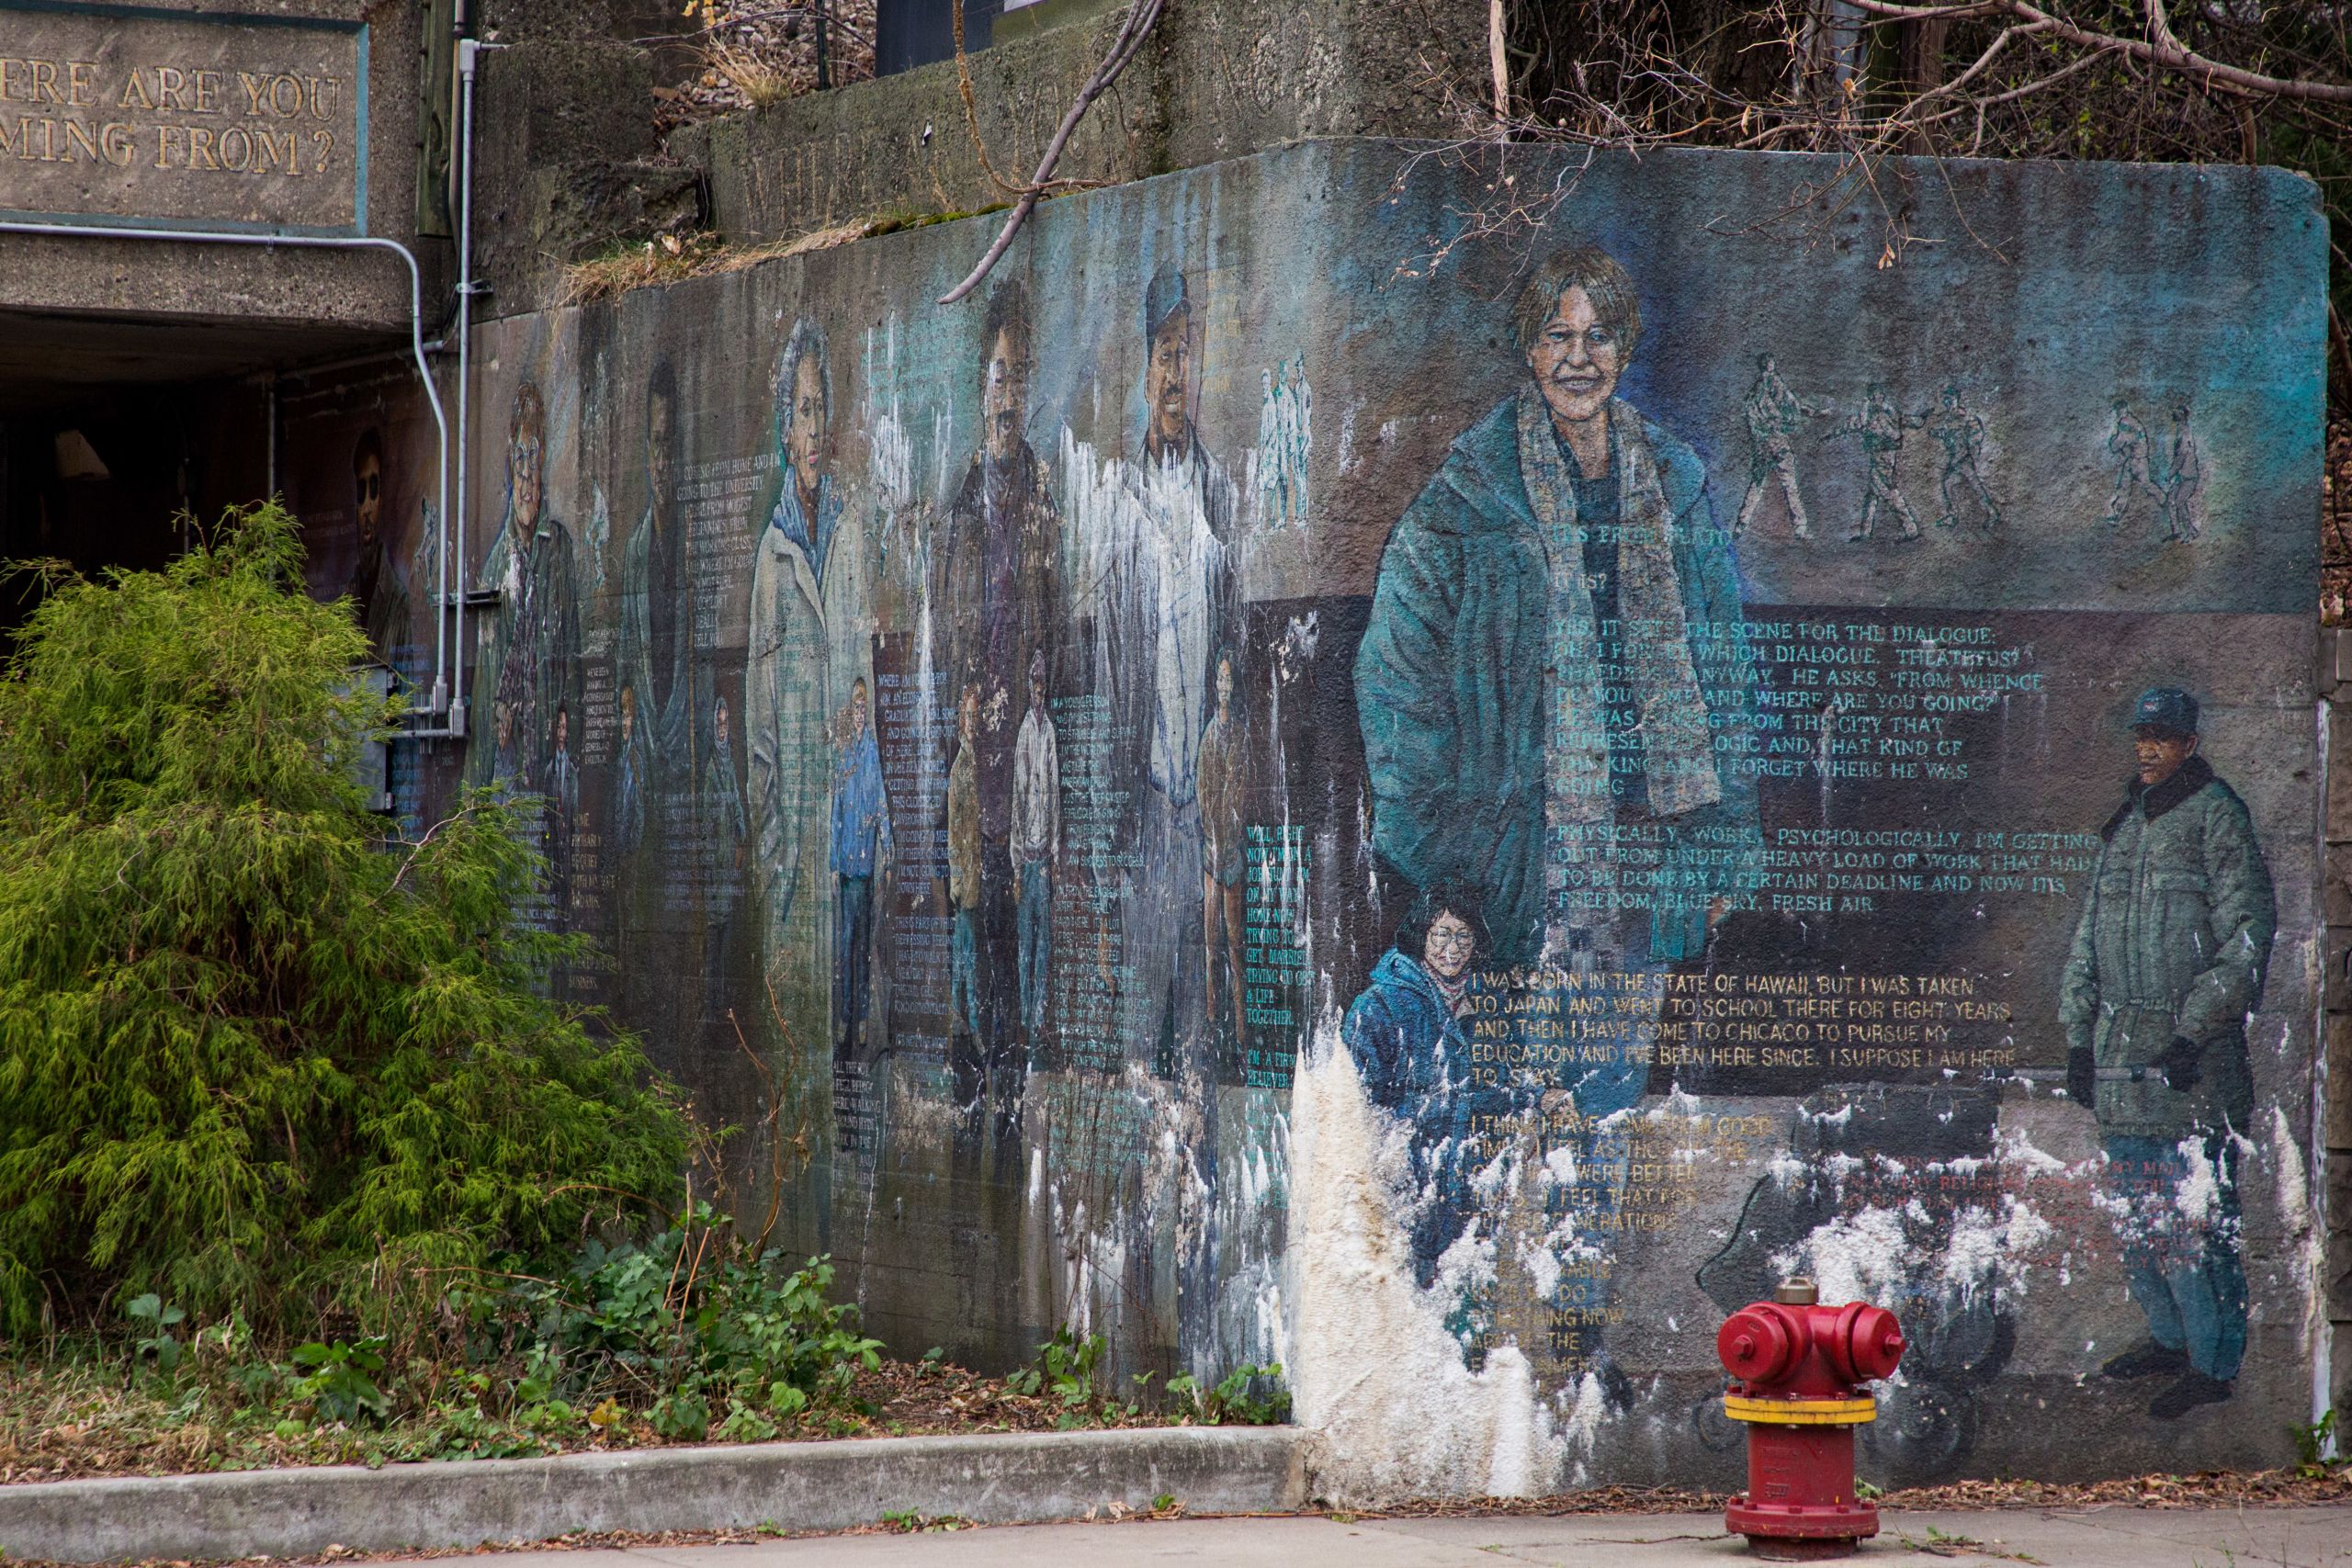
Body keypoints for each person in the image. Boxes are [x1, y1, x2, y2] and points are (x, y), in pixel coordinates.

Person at [1354, 243, 1761, 974]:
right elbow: (1397, 681)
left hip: (1655, 849)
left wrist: (1724, 843)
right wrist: (1451, 859)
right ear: (1530, 349)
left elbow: (1722, 671)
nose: (1579, 359)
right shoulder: (1466, 500)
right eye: (1558, 335)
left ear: (1625, 347)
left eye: (1598, 335)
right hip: (1514, 863)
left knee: (1628, 1075)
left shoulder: (1675, 485)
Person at [2058, 685, 2275, 1420]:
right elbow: (2087, 942)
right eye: (2141, 734)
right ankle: (2167, 1338)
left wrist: (2193, 1032)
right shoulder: (2125, 826)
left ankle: (2213, 1363)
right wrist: (2077, 1039)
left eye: (2163, 736)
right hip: (2124, 1061)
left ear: (2189, 741)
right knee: (2139, 1216)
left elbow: (2246, 939)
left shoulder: (2218, 816)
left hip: (2193, 1065)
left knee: (2196, 1221)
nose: (2148, 747)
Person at [934, 281, 1064, 1082]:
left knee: (1018, 927)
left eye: (1018, 378)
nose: (1006, 394)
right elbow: (947, 630)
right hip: (972, 748)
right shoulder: (957, 507)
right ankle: (973, 1066)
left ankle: (1012, 1073)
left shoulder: (1045, 493)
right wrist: (963, 695)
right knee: (972, 920)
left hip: (1024, 751)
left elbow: (1054, 619)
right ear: (979, 386)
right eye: (996, 375)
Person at [1341, 886, 1510, 1289]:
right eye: (1441, 934)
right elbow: (1357, 1105)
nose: (1452, 948)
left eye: (1463, 936)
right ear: (1422, 936)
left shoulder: (1490, 1005)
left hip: (1470, 1187)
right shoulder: (1379, 1005)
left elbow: (1502, 1083)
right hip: (1404, 1183)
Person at [747, 321, 843, 1002]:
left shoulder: (849, 534)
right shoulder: (772, 561)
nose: (813, 429)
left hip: (845, 862)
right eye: (802, 412)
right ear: (785, 430)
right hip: (794, 879)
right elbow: (759, 743)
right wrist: (776, 863)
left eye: (820, 409)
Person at [469, 383, 577, 790]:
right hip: (508, 763)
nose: (527, 472)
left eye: (533, 456)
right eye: (519, 458)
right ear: (509, 466)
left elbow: (574, 657)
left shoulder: (560, 549)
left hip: (550, 761)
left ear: (544, 456)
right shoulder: (498, 564)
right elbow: (483, 689)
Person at [832, 675, 891, 1062]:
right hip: (848, 867)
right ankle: (845, 1019)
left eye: (863, 708)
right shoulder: (844, 754)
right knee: (845, 947)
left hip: (866, 869)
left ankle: (863, 1021)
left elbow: (881, 803)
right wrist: (835, 863)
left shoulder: (871, 752)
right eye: (855, 707)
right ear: (849, 711)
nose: (859, 713)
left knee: (863, 951)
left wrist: (888, 849)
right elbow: (837, 811)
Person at [1009, 649, 1058, 1053]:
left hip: (1045, 856)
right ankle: (1024, 1018)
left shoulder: (1051, 733)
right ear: (1028, 688)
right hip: (1025, 857)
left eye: (1042, 684)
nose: (1038, 691)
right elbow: (1017, 801)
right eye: (1034, 684)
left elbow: (1055, 793)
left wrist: (1055, 848)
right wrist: (1014, 863)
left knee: (1044, 945)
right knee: (1025, 943)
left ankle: (1039, 1017)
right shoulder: (1025, 733)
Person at [1196, 649, 1246, 1043]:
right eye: (1220, 679)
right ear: (1215, 685)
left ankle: (1243, 1031)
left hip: (1233, 855)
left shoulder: (1241, 736)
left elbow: (1242, 791)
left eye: (1230, 680)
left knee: (1236, 944)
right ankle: (1212, 1022)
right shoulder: (1208, 737)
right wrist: (1214, 839)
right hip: (1214, 853)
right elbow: (1204, 796)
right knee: (1211, 946)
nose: (1224, 686)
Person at [944, 684, 986, 1116]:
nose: (972, 723)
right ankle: (971, 1024)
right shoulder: (961, 769)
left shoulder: (974, 764)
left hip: (974, 878)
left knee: (963, 949)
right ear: (960, 723)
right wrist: (957, 877)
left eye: (977, 717)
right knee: (967, 954)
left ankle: (961, 1017)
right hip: (965, 880)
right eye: (968, 717)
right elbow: (955, 830)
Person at [1733, 354, 1821, 541]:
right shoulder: (1772, 385)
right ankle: (1800, 528)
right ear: (1770, 365)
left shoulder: (1754, 392)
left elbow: (1757, 418)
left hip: (1762, 446)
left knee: (1757, 485)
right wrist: (1800, 415)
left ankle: (1741, 524)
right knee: (1789, 484)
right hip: (1775, 443)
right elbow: (1788, 407)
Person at [1834, 382, 1925, 542]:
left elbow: (1893, 427)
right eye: (1873, 395)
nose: (1876, 398)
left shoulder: (1880, 414)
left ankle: (1911, 530)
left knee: (1889, 493)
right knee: (1872, 495)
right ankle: (1865, 533)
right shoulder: (1877, 413)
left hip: (1884, 457)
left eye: (1877, 395)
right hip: (1879, 456)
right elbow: (1852, 424)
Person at [1926, 382, 2002, 531]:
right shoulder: (1948, 418)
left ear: (1957, 399)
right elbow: (1946, 434)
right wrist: (1936, 433)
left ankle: (1991, 512)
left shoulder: (1966, 417)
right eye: (1945, 399)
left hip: (1963, 458)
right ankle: (1953, 515)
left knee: (1974, 486)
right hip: (1955, 458)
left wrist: (1972, 444)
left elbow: (1976, 433)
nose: (1948, 402)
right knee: (1949, 483)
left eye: (1950, 399)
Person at [2101, 397, 2161, 531]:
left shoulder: (2125, 423)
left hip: (2134, 461)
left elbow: (2119, 442)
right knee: (2146, 484)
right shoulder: (2135, 422)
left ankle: (2116, 514)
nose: (2117, 413)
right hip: (2142, 460)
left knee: (2124, 488)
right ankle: (2165, 500)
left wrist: (2112, 444)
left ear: (2121, 409)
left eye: (2117, 410)